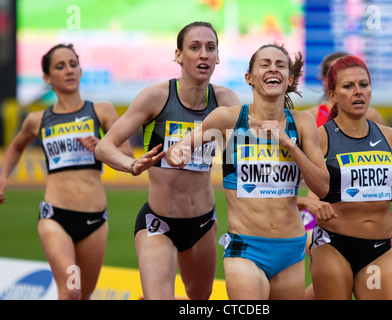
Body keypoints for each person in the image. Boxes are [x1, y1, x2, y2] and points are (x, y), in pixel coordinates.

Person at [166, 43, 329, 299]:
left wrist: (288, 144)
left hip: (291, 249)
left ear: (290, 79)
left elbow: (322, 187)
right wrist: (181, 153)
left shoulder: (303, 124)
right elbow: (177, 151)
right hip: (246, 248)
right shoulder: (228, 120)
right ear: (249, 78)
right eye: (264, 64)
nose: (272, 69)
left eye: (280, 65)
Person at [95, 21, 240, 300]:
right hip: (158, 223)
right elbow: (104, 147)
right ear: (179, 56)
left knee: (199, 299)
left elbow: (243, 160)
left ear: (218, 57)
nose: (204, 55)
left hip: (203, 224)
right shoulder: (157, 97)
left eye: (211, 48)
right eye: (194, 47)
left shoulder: (225, 100)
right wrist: (132, 165)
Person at [299, 51, 392, 299]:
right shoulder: (319, 136)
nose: (358, 91)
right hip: (333, 245)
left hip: (378, 250)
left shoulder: (388, 136)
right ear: (333, 94)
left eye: (364, 85)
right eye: (348, 86)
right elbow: (282, 187)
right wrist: (307, 203)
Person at [0, 44, 133, 299]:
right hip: (55, 217)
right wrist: (3, 175)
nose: (69, 70)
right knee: (72, 290)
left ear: (81, 70)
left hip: (94, 221)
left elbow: (128, 158)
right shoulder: (38, 119)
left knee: (85, 293)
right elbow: (16, 146)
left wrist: (103, 147)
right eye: (60, 66)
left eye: (73, 64)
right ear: (47, 78)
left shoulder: (101, 111)